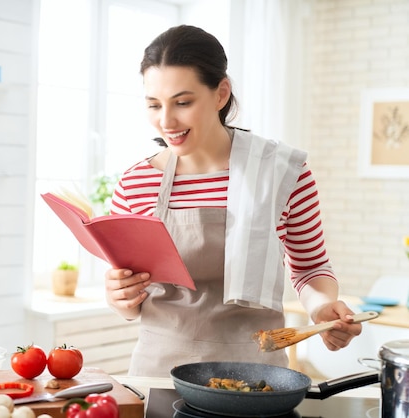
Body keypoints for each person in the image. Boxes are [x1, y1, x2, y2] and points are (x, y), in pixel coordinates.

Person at [104, 24, 362, 377]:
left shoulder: (284, 173)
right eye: (154, 105)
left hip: (256, 371)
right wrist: (120, 297)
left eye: (183, 102)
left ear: (221, 94)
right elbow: (131, 298)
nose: (166, 121)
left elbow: (310, 267)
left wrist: (322, 307)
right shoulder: (135, 184)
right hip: (159, 371)